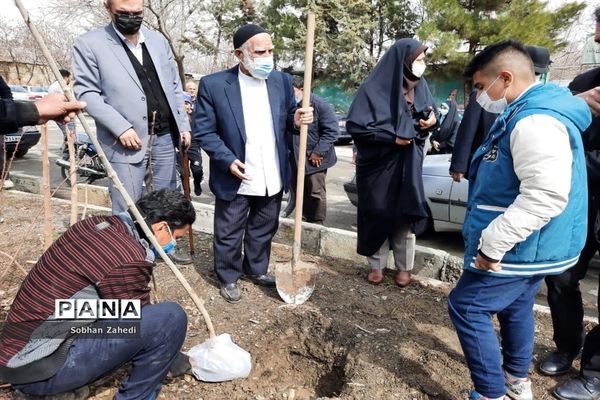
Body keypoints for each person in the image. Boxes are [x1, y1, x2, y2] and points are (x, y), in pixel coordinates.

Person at [447, 40, 590, 400]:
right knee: (516, 306)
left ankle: (491, 392)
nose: (481, 96)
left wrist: (492, 246)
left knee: (467, 307)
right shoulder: (530, 111)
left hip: (518, 247)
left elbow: (544, 194)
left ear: (505, 78)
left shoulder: (535, 121)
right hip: (536, 247)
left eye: (481, 87)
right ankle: (515, 380)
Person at [0, 189, 195, 399]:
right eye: (176, 238)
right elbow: (140, 320)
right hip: (40, 369)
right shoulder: (128, 257)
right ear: (160, 227)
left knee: (114, 312)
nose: (174, 244)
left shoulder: (96, 225)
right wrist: (171, 356)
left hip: (16, 359)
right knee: (170, 318)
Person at [193, 23, 313, 303]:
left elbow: (287, 117)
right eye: (260, 52)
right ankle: (229, 276)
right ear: (240, 53)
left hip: (271, 171)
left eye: (271, 51)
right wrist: (226, 159)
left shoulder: (281, 81)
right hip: (237, 171)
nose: (268, 57)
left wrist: (297, 120)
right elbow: (204, 131)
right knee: (229, 230)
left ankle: (255, 270)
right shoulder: (215, 85)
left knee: (263, 227)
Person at [72, 0, 191, 215]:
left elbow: (174, 86)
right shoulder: (90, 44)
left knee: (166, 207)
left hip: (164, 139)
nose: (131, 17)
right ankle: (129, 249)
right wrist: (121, 127)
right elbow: (87, 93)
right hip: (125, 143)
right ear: (108, 8)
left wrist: (183, 125)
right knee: (129, 209)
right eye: (123, 13)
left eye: (137, 12)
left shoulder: (158, 42)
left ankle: (162, 249)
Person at [346, 38, 437, 288]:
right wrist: (390, 137)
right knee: (376, 211)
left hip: (408, 163)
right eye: (419, 60)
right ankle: (376, 265)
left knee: (404, 214)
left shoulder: (421, 86)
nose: (422, 65)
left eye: (422, 60)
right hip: (378, 164)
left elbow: (428, 112)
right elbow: (357, 126)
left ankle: (404, 267)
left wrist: (432, 120)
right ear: (403, 61)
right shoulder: (373, 88)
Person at [449, 45, 550, 182]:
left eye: (537, 75)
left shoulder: (538, 105)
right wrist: (459, 165)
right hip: (483, 163)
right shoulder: (485, 93)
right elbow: (468, 128)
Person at [286, 74, 338, 224]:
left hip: (314, 159)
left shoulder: (319, 104)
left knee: (315, 191)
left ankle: (317, 222)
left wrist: (317, 152)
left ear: (302, 90)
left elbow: (332, 131)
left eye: (292, 91)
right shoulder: (290, 106)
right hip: (295, 158)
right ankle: (302, 219)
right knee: (299, 191)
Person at [0, 76, 85, 134]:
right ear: (66, 77)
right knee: (69, 135)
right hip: (55, 110)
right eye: (70, 78)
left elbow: (6, 92)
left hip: (54, 111)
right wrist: (34, 110)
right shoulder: (58, 85)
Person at [48, 69, 77, 160]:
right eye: (70, 78)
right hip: (64, 115)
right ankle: (67, 158)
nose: (70, 80)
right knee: (70, 137)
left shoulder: (54, 86)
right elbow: (68, 100)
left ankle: (69, 157)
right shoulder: (60, 86)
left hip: (61, 114)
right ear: (66, 77)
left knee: (69, 136)